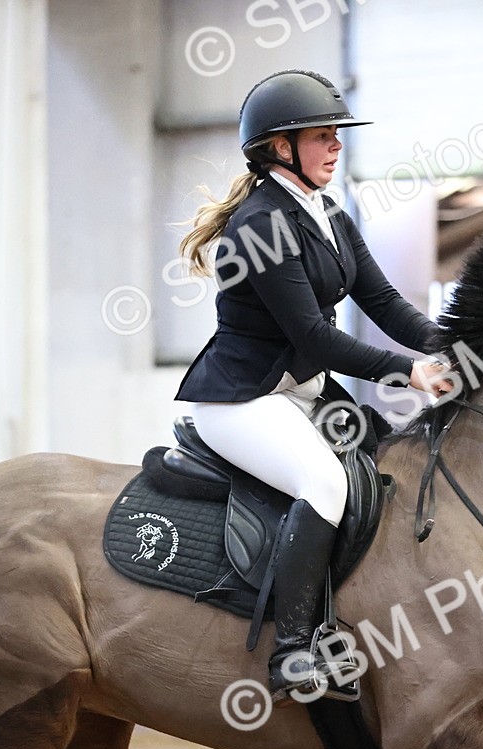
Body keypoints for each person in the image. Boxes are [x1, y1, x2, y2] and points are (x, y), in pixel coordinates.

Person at [174, 70, 454, 702]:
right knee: (324, 482)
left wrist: (456, 342)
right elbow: (314, 337)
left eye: (336, 136)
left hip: (300, 390)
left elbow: (383, 299)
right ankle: (294, 652)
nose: (335, 147)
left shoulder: (326, 212)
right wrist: (408, 370)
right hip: (245, 399)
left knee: (383, 459)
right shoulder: (259, 225)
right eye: (321, 137)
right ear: (280, 148)